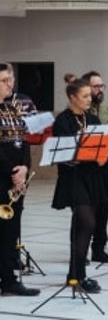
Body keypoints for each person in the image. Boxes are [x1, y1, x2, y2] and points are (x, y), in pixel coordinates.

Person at [51, 79, 106, 293]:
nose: (89, 99)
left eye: (89, 96)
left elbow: (102, 145)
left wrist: (102, 156)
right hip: (73, 178)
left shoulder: (92, 119)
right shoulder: (63, 121)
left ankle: (75, 275)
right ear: (72, 98)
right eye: (84, 96)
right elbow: (64, 154)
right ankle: (77, 275)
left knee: (81, 226)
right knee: (87, 222)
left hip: (92, 177)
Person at [0, 63, 39, 296]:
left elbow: (25, 139)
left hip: (18, 174)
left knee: (11, 227)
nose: (9, 84)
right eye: (4, 80)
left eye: (10, 79)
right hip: (3, 173)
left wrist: (24, 167)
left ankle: (9, 279)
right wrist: (12, 171)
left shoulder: (20, 103)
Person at [81, 70, 108, 264]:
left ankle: (99, 248)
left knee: (104, 208)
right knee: (87, 211)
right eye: (96, 86)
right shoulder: (82, 110)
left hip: (105, 164)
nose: (100, 89)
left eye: (102, 85)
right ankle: (81, 250)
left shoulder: (105, 107)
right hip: (87, 166)